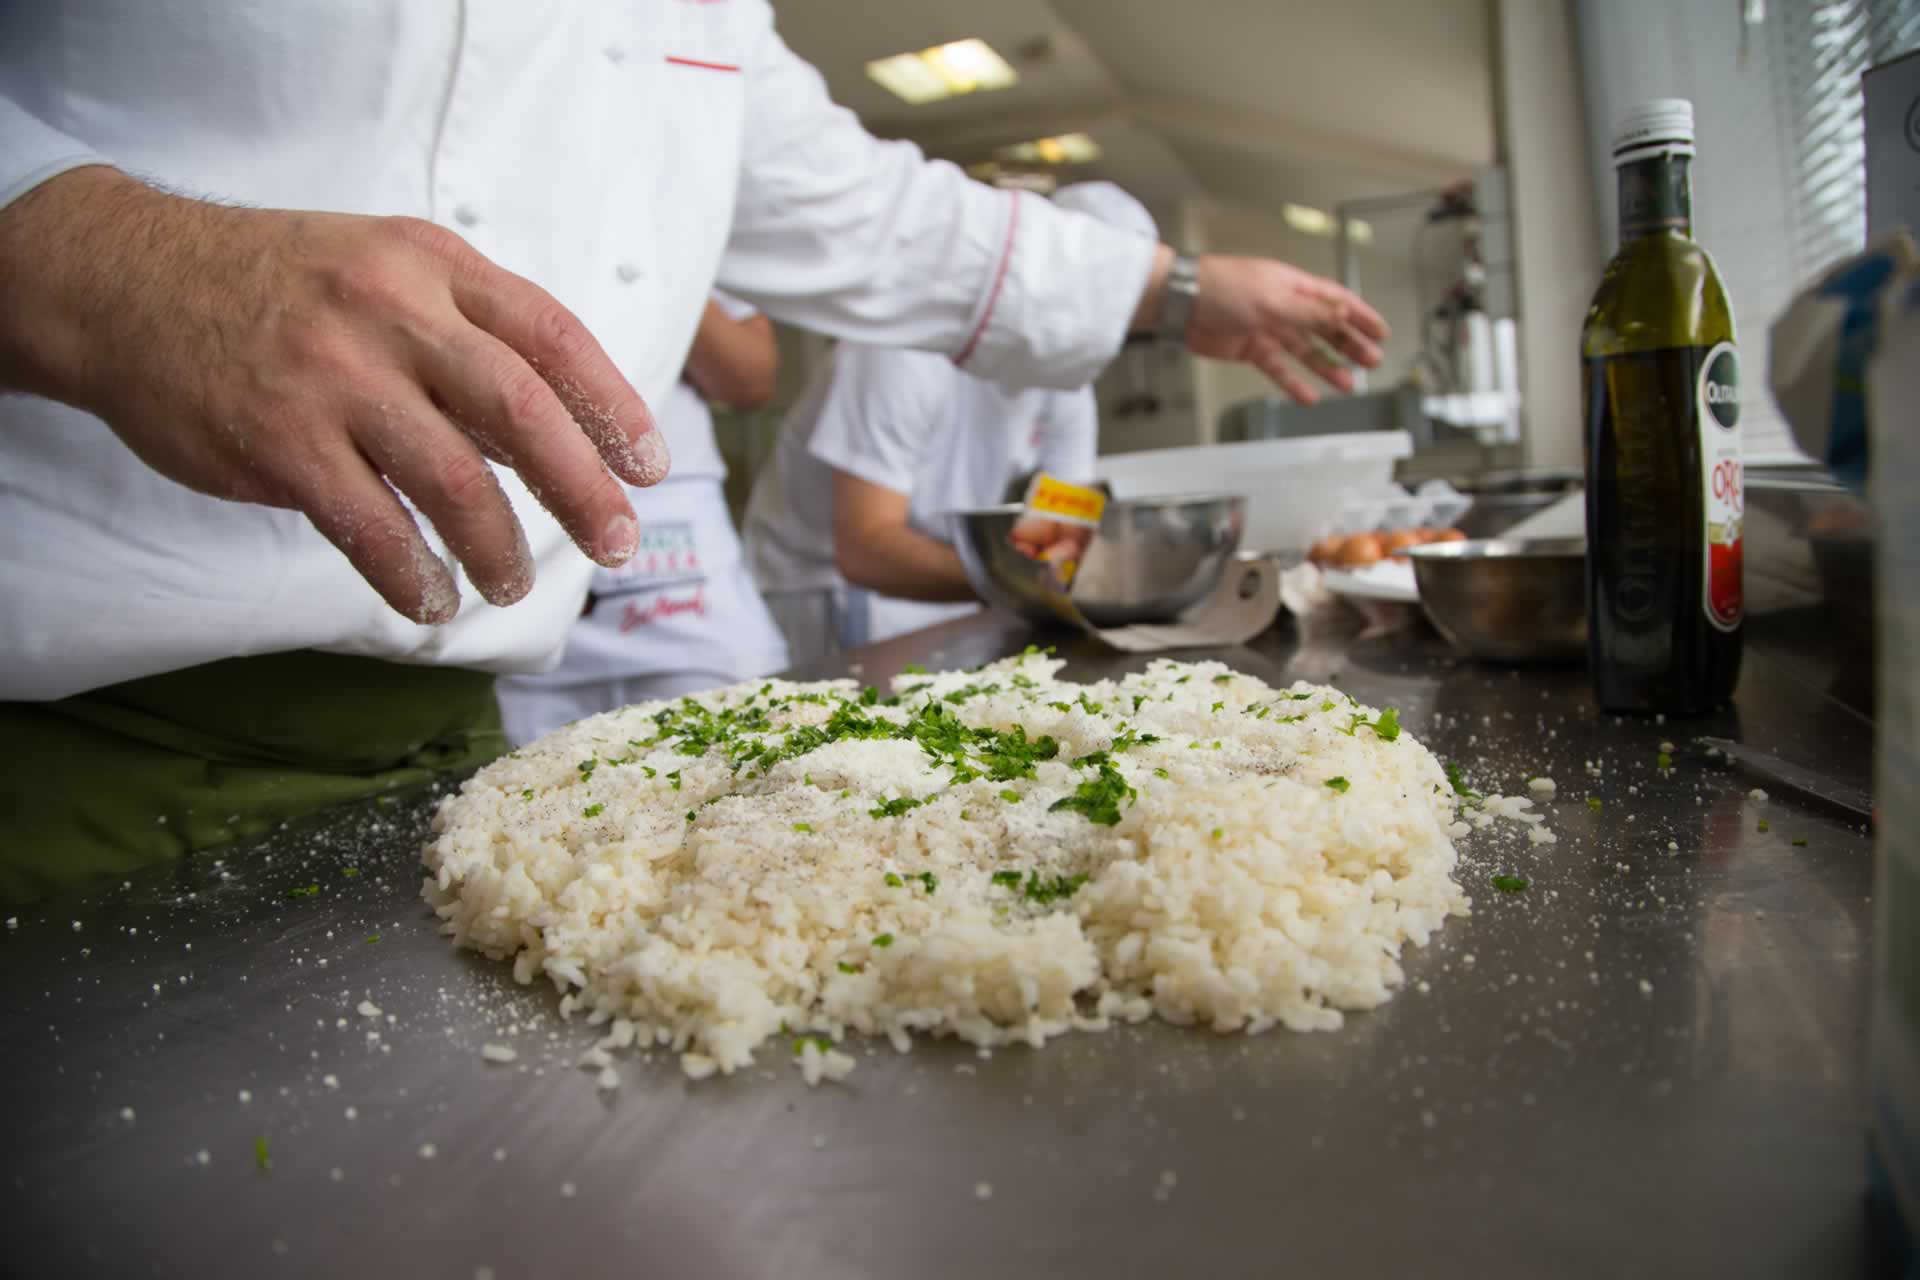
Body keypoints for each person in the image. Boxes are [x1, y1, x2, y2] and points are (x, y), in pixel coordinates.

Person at [0, 2, 1385, 898]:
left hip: (440, 748)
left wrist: (1181, 292)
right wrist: (114, 263)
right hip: (70, 752)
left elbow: (875, 215)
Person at [743, 183, 1152, 664]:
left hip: (944, 577)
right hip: (822, 586)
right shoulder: (904, 348)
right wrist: (1025, 583)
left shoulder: (1069, 383)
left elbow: (1060, 535)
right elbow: (866, 548)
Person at [494, 293, 788, 746]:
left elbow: (751, 379)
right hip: (523, 594)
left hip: (682, 577)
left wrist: (666, 268)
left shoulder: (682, 228)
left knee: (752, 764)